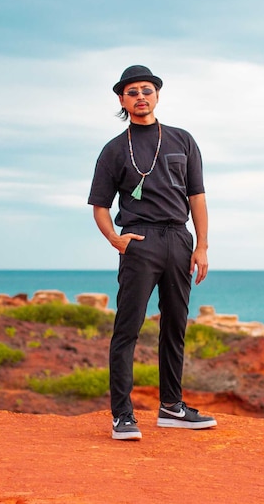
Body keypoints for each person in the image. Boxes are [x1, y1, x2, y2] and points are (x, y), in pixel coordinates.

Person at [88, 65, 217, 440]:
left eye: (147, 90)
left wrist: (202, 245)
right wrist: (115, 238)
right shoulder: (114, 149)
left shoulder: (182, 139)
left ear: (157, 95)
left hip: (179, 239)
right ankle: (122, 415)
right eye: (132, 92)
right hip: (139, 241)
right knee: (127, 328)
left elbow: (198, 197)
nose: (140, 96)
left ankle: (171, 407)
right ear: (122, 100)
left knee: (175, 325)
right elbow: (99, 204)